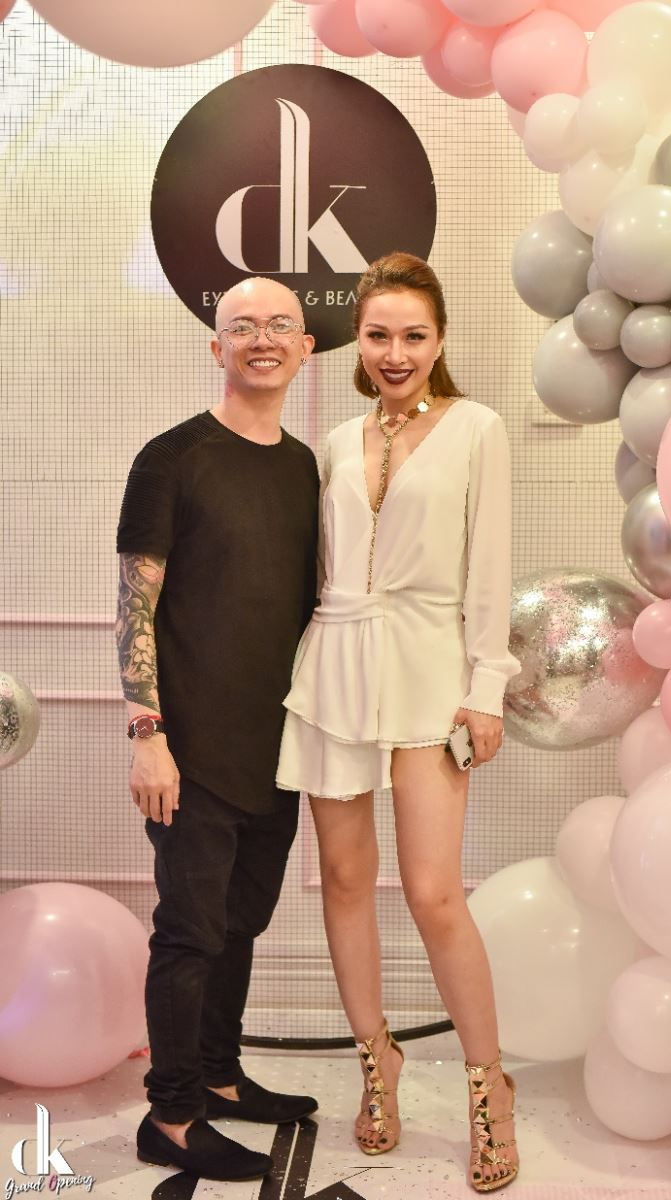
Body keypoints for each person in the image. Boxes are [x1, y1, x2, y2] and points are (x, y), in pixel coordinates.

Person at [276, 252, 522, 1193]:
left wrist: (486, 686)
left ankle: (487, 1088)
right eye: (378, 334)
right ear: (357, 340)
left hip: (428, 671)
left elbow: (489, 567)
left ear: (439, 338)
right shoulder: (334, 442)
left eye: (413, 335)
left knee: (432, 893)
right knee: (345, 879)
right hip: (336, 665)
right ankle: (376, 1061)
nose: (394, 352)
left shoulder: (476, 429)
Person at [115, 277, 320, 1183]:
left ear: (305, 347)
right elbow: (134, 606)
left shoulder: (304, 466)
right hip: (189, 749)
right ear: (217, 348)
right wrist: (147, 732)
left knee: (240, 924)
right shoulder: (171, 457)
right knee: (190, 933)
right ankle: (170, 1112)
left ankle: (220, 1076)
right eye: (242, 327)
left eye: (279, 325)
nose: (261, 339)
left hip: (276, 746)